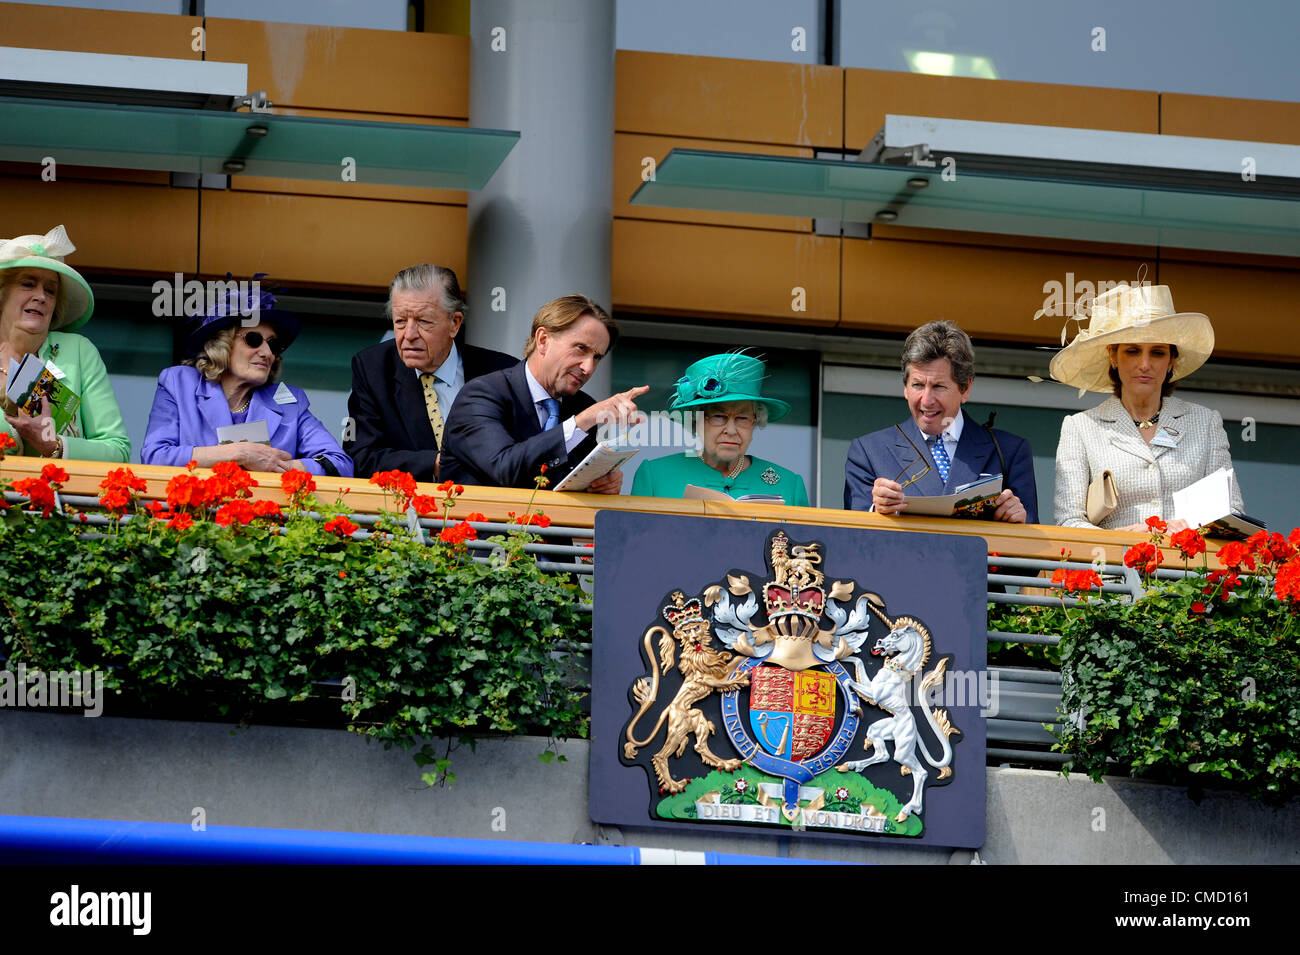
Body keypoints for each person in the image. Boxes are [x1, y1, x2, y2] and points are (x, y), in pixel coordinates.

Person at [1051, 282, 1240, 532]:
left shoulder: (1205, 422)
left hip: (1186, 569)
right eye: (1132, 351)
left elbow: (1231, 514)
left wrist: (1188, 534)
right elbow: (1068, 521)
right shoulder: (1081, 427)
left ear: (1172, 360)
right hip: (1114, 568)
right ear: (1113, 355)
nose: (1144, 364)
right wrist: (1124, 537)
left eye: (1158, 353)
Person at [141, 281, 352, 476]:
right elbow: (155, 456)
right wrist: (240, 453)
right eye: (254, 339)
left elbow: (340, 464)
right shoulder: (179, 383)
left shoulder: (289, 402)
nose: (267, 352)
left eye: (273, 345)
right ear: (223, 344)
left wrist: (281, 466)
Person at [439, 294, 647, 491]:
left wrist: (602, 482)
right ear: (543, 340)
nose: (588, 367)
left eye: (597, 357)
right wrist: (580, 423)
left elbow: (567, 483)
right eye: (581, 348)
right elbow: (504, 468)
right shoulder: (481, 394)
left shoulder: (582, 406)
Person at [844, 320, 1038, 522]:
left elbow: (1031, 544)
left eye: (938, 387)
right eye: (918, 385)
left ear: (965, 388)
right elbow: (854, 540)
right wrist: (875, 510)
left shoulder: (1010, 452)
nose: (926, 400)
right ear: (905, 388)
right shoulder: (869, 452)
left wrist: (1019, 521)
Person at [344, 264, 516, 480]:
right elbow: (361, 457)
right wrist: (436, 464)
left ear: (455, 323)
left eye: (423, 321)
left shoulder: (502, 371)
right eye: (400, 321)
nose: (409, 334)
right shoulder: (373, 369)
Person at [0, 226, 130, 462]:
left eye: (50, 290)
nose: (41, 296)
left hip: (60, 497)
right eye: (28, 284)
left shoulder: (79, 352)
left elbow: (117, 452)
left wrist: (53, 444)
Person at [630, 353, 809, 505]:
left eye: (742, 418)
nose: (731, 430)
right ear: (696, 422)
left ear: (755, 422)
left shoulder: (789, 485)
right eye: (719, 417)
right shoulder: (655, 476)